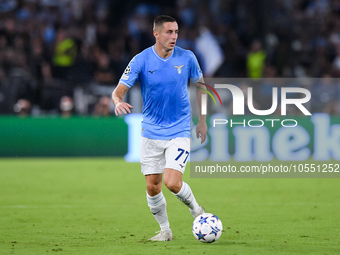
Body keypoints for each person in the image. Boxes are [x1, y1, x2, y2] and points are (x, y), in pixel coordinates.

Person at [112, 15, 207, 241]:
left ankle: (196, 210)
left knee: (172, 182)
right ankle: (165, 230)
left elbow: (201, 88)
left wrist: (202, 120)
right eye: (169, 32)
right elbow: (118, 91)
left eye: (176, 32)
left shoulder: (188, 57)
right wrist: (117, 102)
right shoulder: (141, 60)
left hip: (179, 129)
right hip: (151, 131)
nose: (174, 36)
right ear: (156, 34)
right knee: (152, 187)